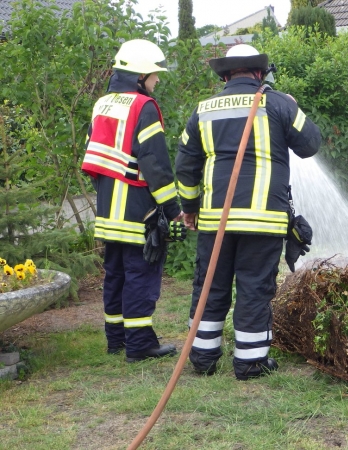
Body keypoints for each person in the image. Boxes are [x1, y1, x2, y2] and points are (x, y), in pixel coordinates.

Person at [175, 44, 321, 380]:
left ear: (225, 76)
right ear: (259, 73)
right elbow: (311, 144)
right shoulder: (279, 103)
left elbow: (185, 165)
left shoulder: (203, 110)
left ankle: (202, 358)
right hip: (263, 220)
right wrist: (294, 106)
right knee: (255, 288)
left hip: (215, 221)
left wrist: (190, 208)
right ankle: (251, 362)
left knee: (210, 286)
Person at [81, 39, 180, 363]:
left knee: (115, 274)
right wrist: (173, 210)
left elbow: (94, 158)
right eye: (154, 74)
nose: (157, 80)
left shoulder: (103, 104)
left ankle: (116, 340)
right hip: (138, 210)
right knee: (140, 275)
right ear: (140, 75)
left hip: (108, 211)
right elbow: (155, 164)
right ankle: (139, 345)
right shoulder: (143, 106)